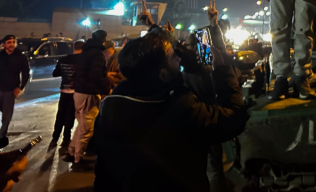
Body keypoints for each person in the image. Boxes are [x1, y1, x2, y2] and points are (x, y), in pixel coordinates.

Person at [93, 29, 249, 192]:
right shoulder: (179, 107)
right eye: (172, 56)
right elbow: (233, 119)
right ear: (162, 75)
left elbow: (103, 170)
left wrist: (191, 69)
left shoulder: (111, 106)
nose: (179, 57)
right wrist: (222, 71)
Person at [66, 29, 110, 171]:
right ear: (103, 40)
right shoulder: (97, 54)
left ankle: (71, 152)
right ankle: (78, 159)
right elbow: (96, 74)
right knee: (87, 127)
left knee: (81, 124)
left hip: (78, 92)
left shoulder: (85, 52)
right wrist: (106, 89)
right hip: (89, 93)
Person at [49, 40, 83, 149]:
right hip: (75, 92)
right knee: (70, 116)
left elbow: (55, 73)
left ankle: (55, 138)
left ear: (74, 48)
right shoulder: (83, 61)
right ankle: (66, 138)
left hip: (64, 91)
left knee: (60, 115)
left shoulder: (63, 59)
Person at [0, 36, 29, 149]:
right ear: (4, 44)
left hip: (9, 91)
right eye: (9, 42)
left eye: (13, 42)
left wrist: (20, 87)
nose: (11, 44)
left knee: (6, 117)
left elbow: (26, 73)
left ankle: (1, 138)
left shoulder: (21, 57)